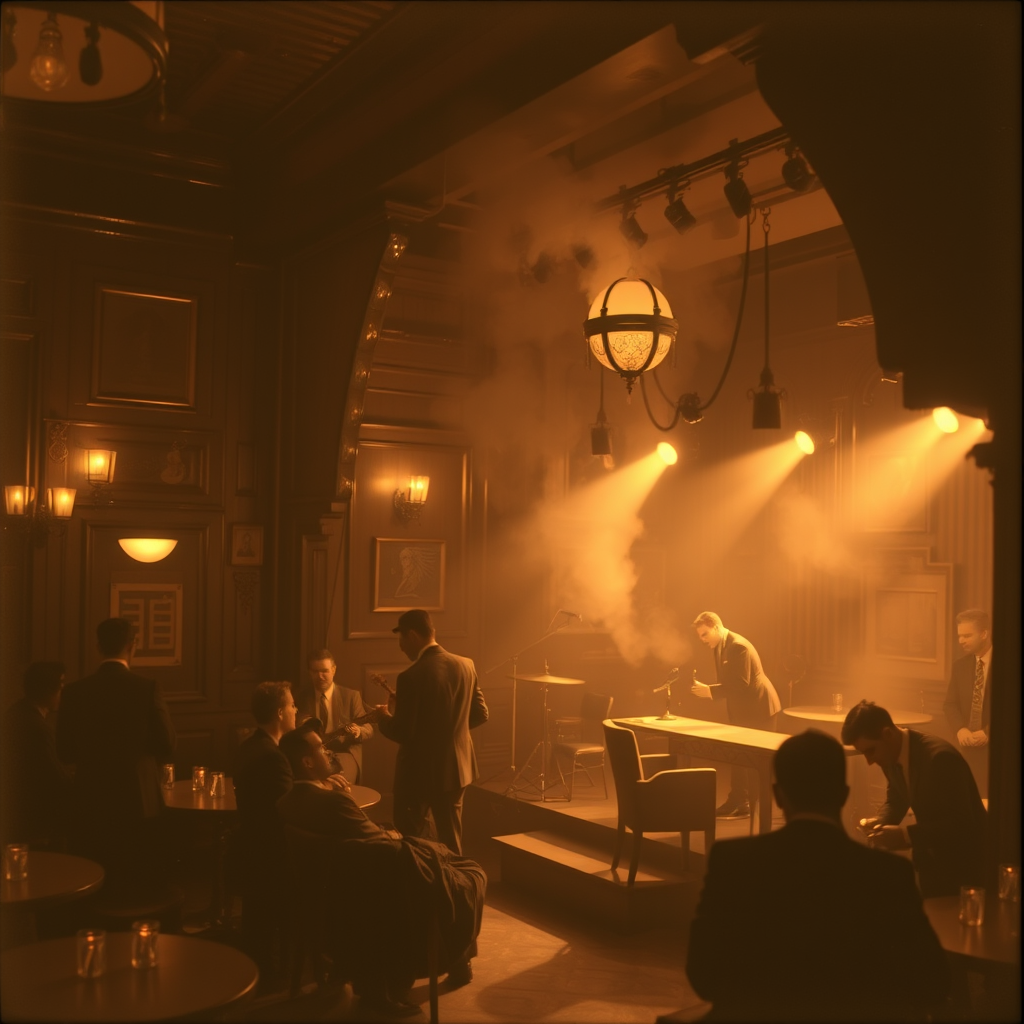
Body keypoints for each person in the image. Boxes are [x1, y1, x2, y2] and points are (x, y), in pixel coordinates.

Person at [686, 729, 949, 1021]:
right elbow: (931, 983)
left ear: (778, 796)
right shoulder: (889, 874)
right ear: (843, 795)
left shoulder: (732, 862)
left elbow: (703, 972)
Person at [277, 722, 486, 1007]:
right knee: (462, 877)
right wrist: (397, 836)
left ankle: (457, 961)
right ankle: (458, 960)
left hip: (331, 895)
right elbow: (382, 846)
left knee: (445, 867)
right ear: (307, 762)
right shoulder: (334, 802)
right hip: (372, 893)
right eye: (322, 749)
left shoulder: (288, 802)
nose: (329, 752)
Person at [56, 618, 176, 897]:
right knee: (135, 884)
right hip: (138, 800)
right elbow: (167, 744)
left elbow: (64, 751)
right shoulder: (147, 688)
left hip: (91, 799)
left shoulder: (75, 692)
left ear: (98, 646)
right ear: (133, 646)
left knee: (93, 884)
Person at [371, 609, 489, 857]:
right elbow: (480, 714)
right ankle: (457, 889)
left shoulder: (411, 676)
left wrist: (383, 717)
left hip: (419, 774)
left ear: (412, 635)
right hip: (458, 768)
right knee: (451, 841)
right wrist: (445, 727)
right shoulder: (466, 665)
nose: (401, 647)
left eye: (401, 639)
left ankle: (421, 892)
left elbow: (402, 732)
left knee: (413, 842)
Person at [841, 700, 987, 897]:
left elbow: (963, 825)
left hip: (967, 871)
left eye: (870, 750)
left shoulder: (940, 759)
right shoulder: (890, 753)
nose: (869, 761)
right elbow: (896, 799)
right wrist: (880, 823)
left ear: (888, 734)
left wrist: (904, 836)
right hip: (933, 864)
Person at [233, 680, 297, 987]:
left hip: (251, 850)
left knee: (256, 922)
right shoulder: (274, 757)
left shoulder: (250, 746)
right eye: (293, 705)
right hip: (274, 856)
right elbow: (289, 812)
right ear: (281, 713)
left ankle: (257, 970)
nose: (297, 709)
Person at [690, 611, 781, 818]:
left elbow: (741, 684)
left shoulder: (738, 647)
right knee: (739, 757)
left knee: (756, 761)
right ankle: (738, 802)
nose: (702, 640)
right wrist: (711, 691)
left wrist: (710, 691)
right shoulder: (721, 646)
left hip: (760, 710)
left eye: (704, 634)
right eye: (700, 636)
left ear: (716, 627)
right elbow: (733, 683)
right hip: (746, 710)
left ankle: (749, 805)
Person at [1, 661, 73, 848]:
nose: (62, 691)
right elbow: (55, 778)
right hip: (35, 823)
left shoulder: (15, 713)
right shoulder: (37, 728)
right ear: (47, 689)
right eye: (60, 685)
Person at [296, 649, 373, 783]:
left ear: (333, 670)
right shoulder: (301, 698)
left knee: (340, 784)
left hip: (345, 752)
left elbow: (369, 728)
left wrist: (358, 731)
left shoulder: (351, 696)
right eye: (315, 672)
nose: (320, 676)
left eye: (325, 671)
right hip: (314, 754)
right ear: (309, 672)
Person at [943, 608, 991, 795]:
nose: (961, 640)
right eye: (960, 636)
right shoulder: (960, 666)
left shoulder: (1008, 663)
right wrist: (960, 729)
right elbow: (949, 704)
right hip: (966, 751)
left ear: (984, 634)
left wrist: (988, 732)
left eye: (967, 635)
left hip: (998, 754)